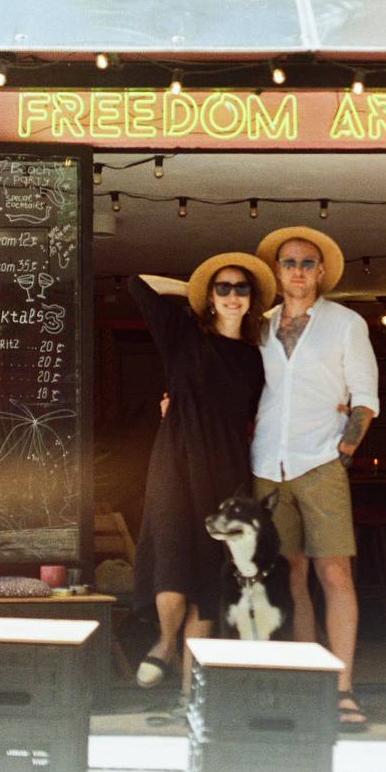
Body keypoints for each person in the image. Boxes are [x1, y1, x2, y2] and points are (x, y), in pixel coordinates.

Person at [128, 251, 275, 695]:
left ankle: (191, 691)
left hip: (227, 465)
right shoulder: (183, 334)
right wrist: (195, 289)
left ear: (251, 299)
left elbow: (267, 414)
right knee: (172, 548)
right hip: (175, 457)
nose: (232, 296)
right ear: (211, 297)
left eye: (241, 288)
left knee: (213, 569)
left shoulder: (258, 357)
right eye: (222, 288)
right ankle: (165, 642)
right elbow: (139, 282)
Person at [251, 226, 379, 729]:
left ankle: (342, 690)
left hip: (320, 461)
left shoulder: (345, 324)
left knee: (334, 572)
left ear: (321, 271)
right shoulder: (259, 326)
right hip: (266, 463)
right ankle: (307, 681)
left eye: (308, 262)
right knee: (288, 574)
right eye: (290, 262)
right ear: (278, 271)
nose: (299, 271)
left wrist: (344, 451)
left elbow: (364, 397)